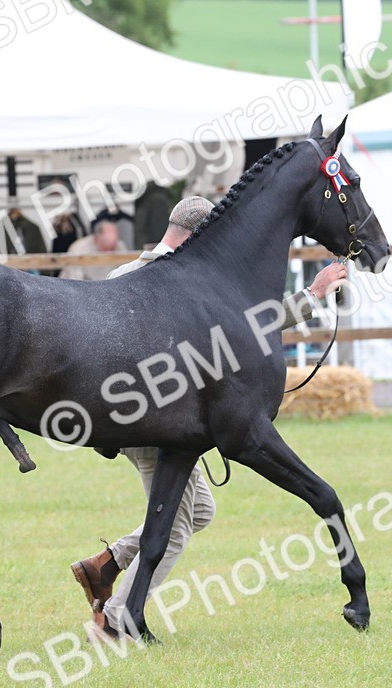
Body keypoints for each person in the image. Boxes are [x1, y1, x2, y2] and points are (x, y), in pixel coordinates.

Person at [69, 196, 350, 640]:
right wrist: (313, 295)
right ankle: (116, 619)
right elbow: (250, 328)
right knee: (175, 526)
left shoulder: (123, 274)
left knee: (200, 509)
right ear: (200, 237)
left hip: (145, 421)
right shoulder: (176, 284)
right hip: (152, 428)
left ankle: (106, 564)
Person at [59, 219, 128, 280]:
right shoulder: (79, 248)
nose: (109, 251)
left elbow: (125, 274)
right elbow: (75, 280)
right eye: (106, 246)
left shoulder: (120, 246)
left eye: (112, 247)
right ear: (97, 238)